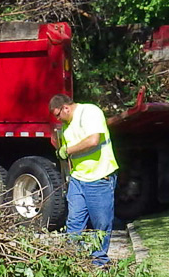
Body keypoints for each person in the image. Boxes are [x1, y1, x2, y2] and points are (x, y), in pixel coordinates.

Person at [50, 93, 119, 267]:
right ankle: (74, 260)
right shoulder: (66, 125)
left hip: (99, 177)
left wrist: (67, 150)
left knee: (101, 224)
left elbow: (93, 140)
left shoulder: (89, 112)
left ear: (66, 107)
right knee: (74, 222)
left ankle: (99, 262)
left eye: (58, 115)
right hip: (78, 179)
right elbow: (68, 152)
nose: (58, 119)